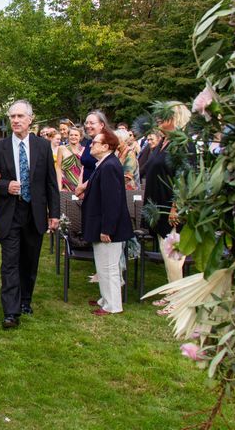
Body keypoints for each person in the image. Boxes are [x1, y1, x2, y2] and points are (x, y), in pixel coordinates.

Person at [0, 100, 60, 329]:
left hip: (35, 213)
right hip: (9, 213)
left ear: (30, 119)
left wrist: (55, 213)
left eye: (20, 116)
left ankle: (25, 301)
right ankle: (10, 312)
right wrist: (5, 186)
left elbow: (51, 183)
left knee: (29, 261)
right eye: (12, 116)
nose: (15, 120)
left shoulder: (43, 146)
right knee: (10, 262)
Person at [78, 128, 134, 315]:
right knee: (102, 264)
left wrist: (107, 229)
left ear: (105, 146)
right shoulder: (104, 163)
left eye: (95, 143)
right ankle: (105, 299)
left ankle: (113, 305)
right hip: (100, 223)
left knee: (109, 267)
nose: (91, 145)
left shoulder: (109, 166)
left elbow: (112, 201)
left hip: (109, 227)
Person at [144, 103, 192, 284]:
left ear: (175, 118)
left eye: (163, 116)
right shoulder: (163, 142)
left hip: (171, 208)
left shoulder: (183, 144)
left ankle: (176, 297)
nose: (158, 119)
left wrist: (175, 207)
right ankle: (172, 291)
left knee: (173, 255)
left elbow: (185, 176)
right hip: (158, 205)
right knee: (166, 253)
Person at [80, 110, 110, 182]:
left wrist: (83, 187)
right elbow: (84, 167)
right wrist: (79, 185)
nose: (87, 126)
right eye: (86, 123)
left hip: (97, 185)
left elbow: (101, 171)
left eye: (91, 123)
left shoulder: (106, 144)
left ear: (102, 125)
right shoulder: (89, 142)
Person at [56, 125, 83, 191]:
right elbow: (58, 168)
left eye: (76, 135)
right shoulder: (62, 148)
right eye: (71, 135)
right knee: (68, 201)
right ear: (68, 136)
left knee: (80, 201)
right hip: (66, 187)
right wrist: (59, 187)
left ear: (80, 137)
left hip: (81, 187)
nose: (73, 137)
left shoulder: (84, 150)